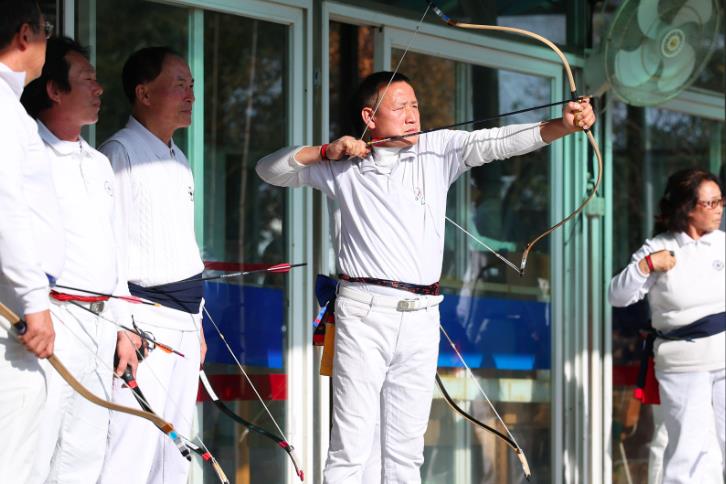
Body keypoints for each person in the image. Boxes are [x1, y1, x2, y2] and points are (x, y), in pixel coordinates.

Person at [256, 71, 596, 483]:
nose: (412, 115)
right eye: (399, 107)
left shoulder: (438, 148)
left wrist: (562, 125)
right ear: (370, 117)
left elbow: (498, 142)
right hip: (364, 312)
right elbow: (269, 169)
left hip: (422, 314)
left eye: (415, 105)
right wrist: (325, 151)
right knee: (352, 450)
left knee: (405, 452)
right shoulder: (342, 165)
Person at [20, 35, 139, 484]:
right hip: (48, 320)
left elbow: (113, 248)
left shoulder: (98, 161)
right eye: (87, 79)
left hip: (100, 323)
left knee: (85, 454)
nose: (99, 88)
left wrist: (124, 325)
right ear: (54, 89)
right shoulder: (25, 152)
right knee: (34, 451)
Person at [98, 46, 206, 484]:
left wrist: (198, 325)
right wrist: (121, 326)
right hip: (143, 320)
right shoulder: (118, 153)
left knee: (175, 453)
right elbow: (108, 249)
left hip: (184, 320)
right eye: (179, 85)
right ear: (143, 93)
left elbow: (184, 248)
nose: (190, 96)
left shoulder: (179, 159)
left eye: (191, 86)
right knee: (132, 449)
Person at [609, 168, 725, 484]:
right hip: (683, 364)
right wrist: (646, 266)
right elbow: (617, 295)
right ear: (687, 208)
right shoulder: (658, 248)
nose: (718, 209)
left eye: (720, 201)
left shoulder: (723, 244)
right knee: (688, 450)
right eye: (710, 203)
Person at [0, 2, 65, 482]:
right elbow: (6, 208)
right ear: (26, 35)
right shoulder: (4, 111)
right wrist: (35, 301)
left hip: (16, 302)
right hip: (13, 310)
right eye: (46, 30)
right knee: (15, 458)